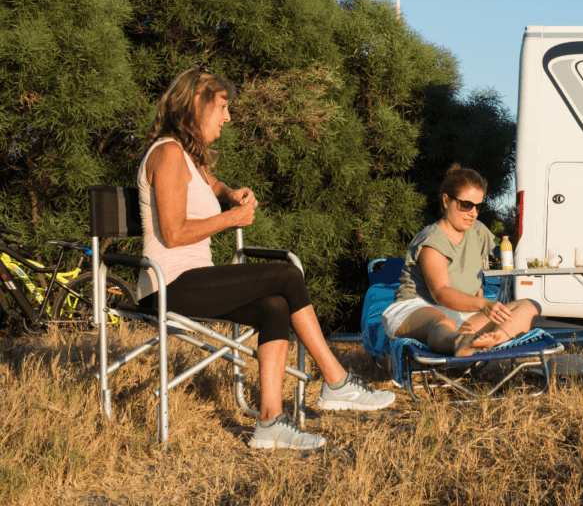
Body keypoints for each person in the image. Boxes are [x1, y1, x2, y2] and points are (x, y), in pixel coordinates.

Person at [137, 67, 395, 451]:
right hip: (166, 284)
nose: (228, 117)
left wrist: (231, 193)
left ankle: (270, 422)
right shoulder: (168, 153)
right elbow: (173, 234)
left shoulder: (188, 156)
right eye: (222, 106)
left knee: (274, 307)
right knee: (288, 276)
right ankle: (336, 382)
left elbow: (210, 184)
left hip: (192, 280)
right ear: (196, 102)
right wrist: (232, 219)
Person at [382, 164, 540, 356]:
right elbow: (441, 293)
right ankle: (460, 343)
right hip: (419, 308)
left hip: (461, 313)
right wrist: (482, 305)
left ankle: (492, 341)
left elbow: (476, 279)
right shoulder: (432, 239)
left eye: (478, 206)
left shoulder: (479, 232)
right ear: (446, 200)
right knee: (442, 322)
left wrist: (482, 303)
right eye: (466, 205)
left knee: (528, 306)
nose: (473, 213)